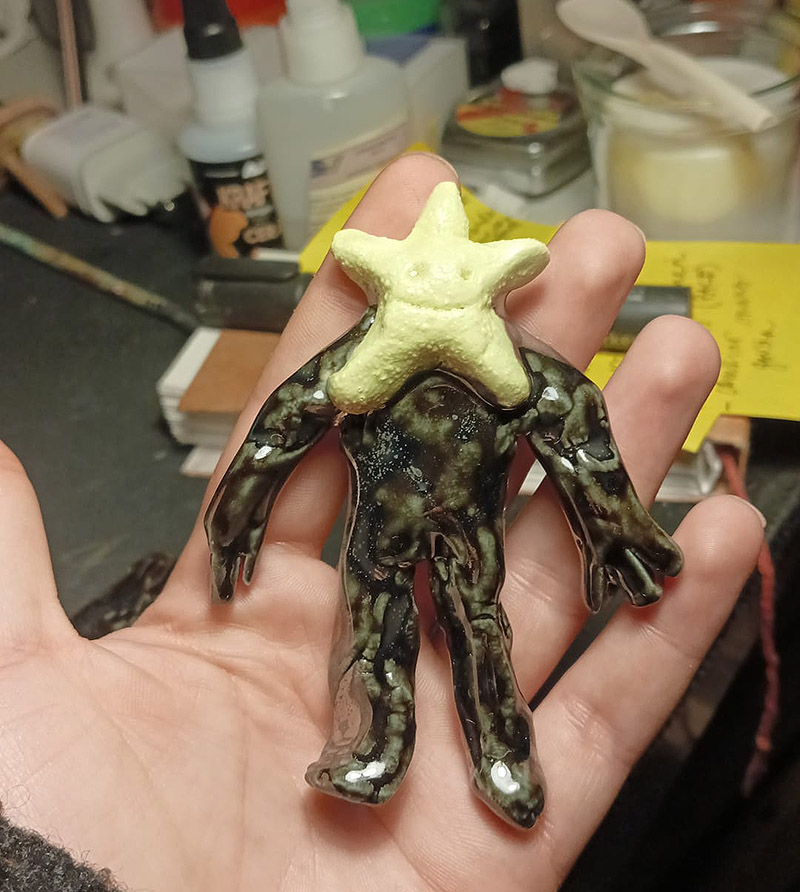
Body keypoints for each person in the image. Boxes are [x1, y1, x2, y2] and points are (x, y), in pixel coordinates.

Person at [0, 153, 764, 891]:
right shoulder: (363, 359)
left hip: (473, 525)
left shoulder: (514, 368)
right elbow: (283, 423)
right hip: (379, 527)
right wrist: (235, 513)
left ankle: (503, 752)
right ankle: (371, 744)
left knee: (482, 630)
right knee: (373, 633)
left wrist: (612, 521)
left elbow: (579, 426)